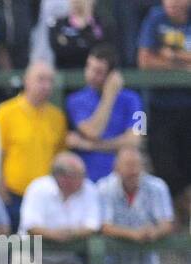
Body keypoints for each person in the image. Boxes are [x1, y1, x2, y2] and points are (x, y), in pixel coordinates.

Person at [0, 61, 66, 264]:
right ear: (26, 80)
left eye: (49, 80)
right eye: (40, 79)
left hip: (45, 202)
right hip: (12, 197)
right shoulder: (6, 112)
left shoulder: (57, 117)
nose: (44, 85)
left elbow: (60, 158)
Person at [136, 0, 191, 221]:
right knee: (165, 167)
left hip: (188, 107)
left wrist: (170, 55)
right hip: (160, 108)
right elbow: (145, 61)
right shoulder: (156, 18)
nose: (173, 3)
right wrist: (183, 62)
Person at [66, 44, 143, 184]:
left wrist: (90, 145)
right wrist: (109, 97)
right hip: (88, 178)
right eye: (89, 67)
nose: (90, 74)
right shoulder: (75, 100)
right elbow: (93, 131)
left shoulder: (134, 99)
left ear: (112, 75)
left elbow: (135, 140)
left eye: (98, 71)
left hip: (120, 179)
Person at [49, 0, 112, 70]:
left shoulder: (104, 24)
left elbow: (104, 51)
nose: (77, 1)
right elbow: (61, 51)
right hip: (67, 73)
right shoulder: (58, 24)